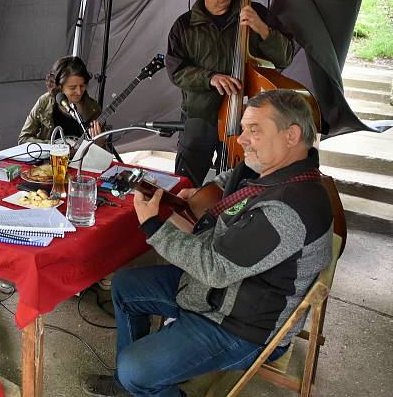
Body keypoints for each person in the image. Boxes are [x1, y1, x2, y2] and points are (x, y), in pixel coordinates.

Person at [82, 89, 333, 396]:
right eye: (243, 129)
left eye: (254, 131)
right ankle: (133, 387)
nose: (240, 139)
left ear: (292, 135)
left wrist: (153, 225)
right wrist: (204, 192)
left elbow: (214, 268)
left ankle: (138, 380)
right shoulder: (278, 172)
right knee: (125, 287)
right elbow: (232, 178)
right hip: (221, 294)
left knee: (136, 368)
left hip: (241, 326)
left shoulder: (290, 207)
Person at [166, 0, 296, 186]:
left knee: (242, 187)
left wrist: (263, 29)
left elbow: (284, 57)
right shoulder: (184, 26)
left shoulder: (255, 13)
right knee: (185, 185)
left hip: (245, 119)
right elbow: (176, 71)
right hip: (200, 117)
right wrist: (210, 77)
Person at [18, 56, 103, 144]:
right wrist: (55, 146)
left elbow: (100, 152)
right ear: (59, 87)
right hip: (50, 156)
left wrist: (99, 143)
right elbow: (23, 139)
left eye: (82, 86)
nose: (78, 92)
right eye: (72, 87)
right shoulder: (45, 102)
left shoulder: (93, 108)